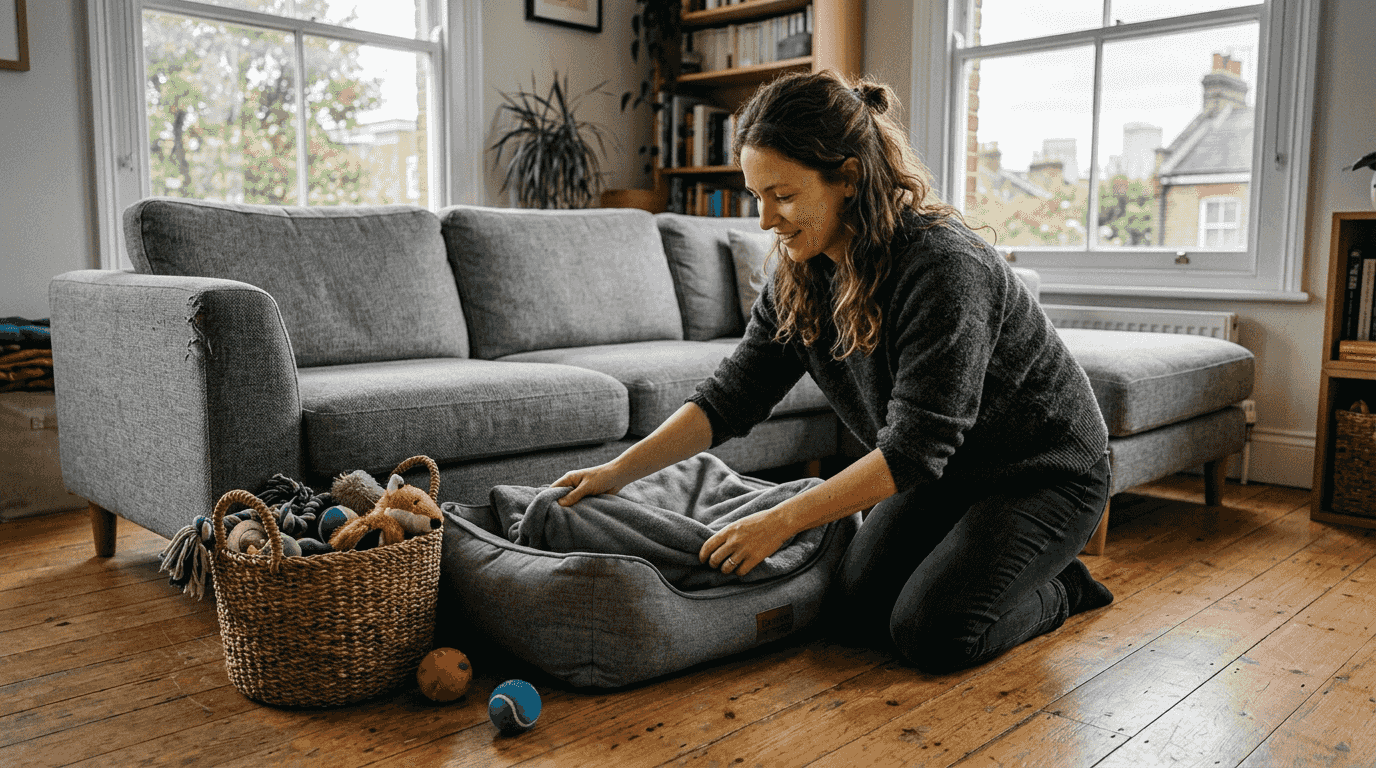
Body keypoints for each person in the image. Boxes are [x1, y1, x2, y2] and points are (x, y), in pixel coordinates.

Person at [552, 70, 1113, 673]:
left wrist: (778, 520)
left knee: (933, 634)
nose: (765, 220)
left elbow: (918, 447)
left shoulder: (943, 267)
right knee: (853, 614)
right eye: (755, 196)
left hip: (1042, 475)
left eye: (784, 195)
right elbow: (730, 399)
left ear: (847, 178)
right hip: (945, 477)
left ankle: (1061, 586)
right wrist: (618, 471)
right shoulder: (802, 272)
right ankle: (998, 565)